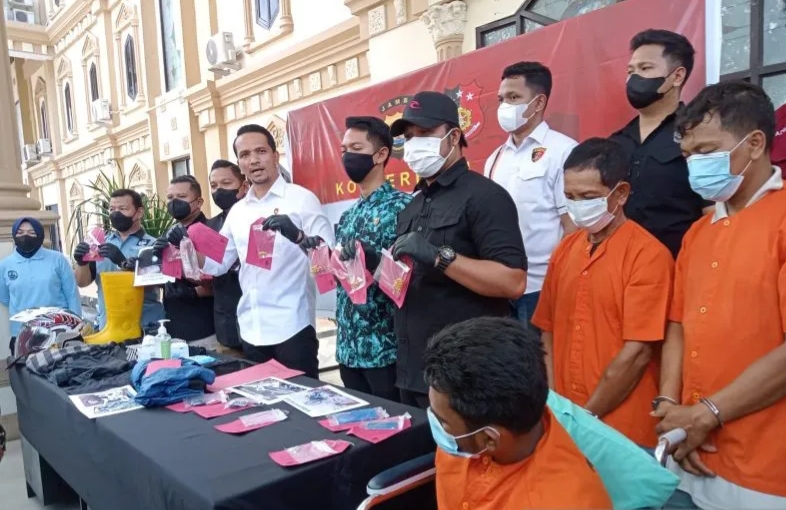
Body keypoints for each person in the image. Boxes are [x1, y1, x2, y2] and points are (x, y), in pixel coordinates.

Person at [654, 82, 786, 509]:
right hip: (688, 451)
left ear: (755, 144)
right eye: (688, 155)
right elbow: (678, 326)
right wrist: (670, 408)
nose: (695, 165)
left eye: (707, 151)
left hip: (762, 466)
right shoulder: (697, 233)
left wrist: (707, 414)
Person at [531, 138, 673, 450]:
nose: (577, 205)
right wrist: (556, 405)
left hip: (623, 427)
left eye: (588, 197)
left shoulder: (648, 256)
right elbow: (547, 333)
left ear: (620, 193)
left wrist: (587, 416)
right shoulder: (565, 250)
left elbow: (637, 353)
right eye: (570, 196)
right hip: (566, 417)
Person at [389, 91, 528, 408]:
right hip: (413, 371)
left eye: (425, 133)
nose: (414, 144)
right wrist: (375, 264)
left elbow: (513, 281)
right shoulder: (412, 206)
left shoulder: (485, 196)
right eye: (408, 137)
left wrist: (439, 257)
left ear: (453, 137)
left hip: (466, 377)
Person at [424, 317, 612, 509]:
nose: (434, 422)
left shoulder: (568, 502)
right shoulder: (468, 432)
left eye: (442, 421)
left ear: (489, 439)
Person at [197, 124, 334, 378]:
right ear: (240, 164)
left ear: (275, 155)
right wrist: (186, 246)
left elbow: (329, 263)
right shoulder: (238, 211)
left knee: (301, 401)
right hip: (252, 328)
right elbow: (218, 263)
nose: (253, 160)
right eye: (245, 154)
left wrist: (298, 237)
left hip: (293, 326)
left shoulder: (301, 199)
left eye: (260, 151)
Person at [311, 116, 411, 401]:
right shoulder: (348, 216)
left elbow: (408, 285)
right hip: (348, 349)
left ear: (381, 154)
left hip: (385, 350)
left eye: (356, 148)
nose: (347, 157)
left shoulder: (404, 208)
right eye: (344, 150)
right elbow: (340, 279)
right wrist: (317, 252)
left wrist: (375, 261)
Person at [485, 61, 577, 325]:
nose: (505, 106)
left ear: (539, 103)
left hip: (543, 287)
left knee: (542, 352)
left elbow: (573, 228)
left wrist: (558, 282)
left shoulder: (564, 151)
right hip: (501, 288)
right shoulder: (495, 158)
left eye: (514, 97)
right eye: (501, 99)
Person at [610, 29, 708, 258]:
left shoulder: (698, 136)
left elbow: (713, 212)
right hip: (618, 267)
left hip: (677, 265)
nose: (634, 78)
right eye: (630, 71)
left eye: (645, 68)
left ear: (677, 76)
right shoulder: (616, 142)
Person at [73, 189, 163, 333]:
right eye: (112, 209)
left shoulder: (153, 245)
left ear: (139, 212)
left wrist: (123, 262)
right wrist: (81, 262)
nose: (116, 214)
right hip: (108, 326)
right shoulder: (99, 244)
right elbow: (82, 282)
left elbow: (158, 282)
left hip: (144, 326)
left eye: (123, 209)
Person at [154, 175, 216, 347]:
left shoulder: (210, 230)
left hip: (204, 329)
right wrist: (151, 263)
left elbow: (220, 279)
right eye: (170, 197)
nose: (174, 202)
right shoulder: (168, 233)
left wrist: (193, 292)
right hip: (173, 329)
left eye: (181, 197)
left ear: (199, 202)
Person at [1, 217, 82, 349]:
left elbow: (72, 294)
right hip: (22, 334)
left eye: (31, 233)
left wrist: (76, 327)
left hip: (58, 331)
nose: (25, 236)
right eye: (20, 232)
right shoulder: (5, 265)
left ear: (40, 235)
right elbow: (5, 298)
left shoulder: (58, 259)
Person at [206, 159, 249, 351]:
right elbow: (208, 270)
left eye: (226, 183)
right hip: (226, 321)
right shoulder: (209, 226)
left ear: (244, 186)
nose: (219, 190)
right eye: (214, 186)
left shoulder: (258, 218)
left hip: (259, 316)